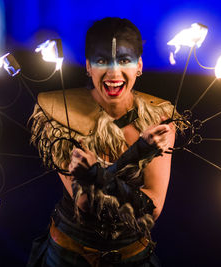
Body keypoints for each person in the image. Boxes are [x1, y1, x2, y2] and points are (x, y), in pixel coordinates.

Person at [28, 17, 183, 267]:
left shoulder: (158, 120)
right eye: (102, 61)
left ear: (139, 66)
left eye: (124, 60)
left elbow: (152, 209)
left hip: (133, 257)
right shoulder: (60, 116)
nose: (113, 73)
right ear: (88, 66)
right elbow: (86, 206)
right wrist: (139, 153)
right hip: (68, 257)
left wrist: (96, 177)